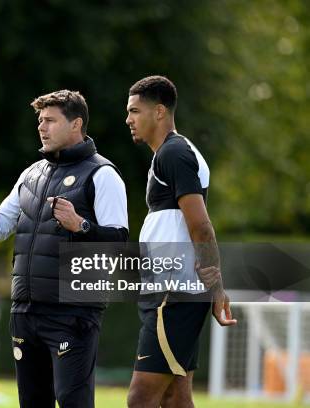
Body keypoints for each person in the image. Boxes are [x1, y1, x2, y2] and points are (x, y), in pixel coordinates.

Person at [0, 90, 128, 408]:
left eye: (50, 120)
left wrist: (81, 226)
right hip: (25, 314)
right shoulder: (31, 173)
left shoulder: (103, 175)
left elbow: (117, 245)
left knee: (73, 401)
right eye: (40, 121)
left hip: (72, 314)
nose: (42, 128)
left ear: (76, 125)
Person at [124, 75, 237, 408]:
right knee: (175, 397)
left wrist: (216, 290)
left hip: (173, 294)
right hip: (170, 291)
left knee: (140, 397)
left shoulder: (174, 153)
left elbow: (201, 227)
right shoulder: (170, 154)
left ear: (159, 112)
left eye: (134, 111)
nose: (128, 119)